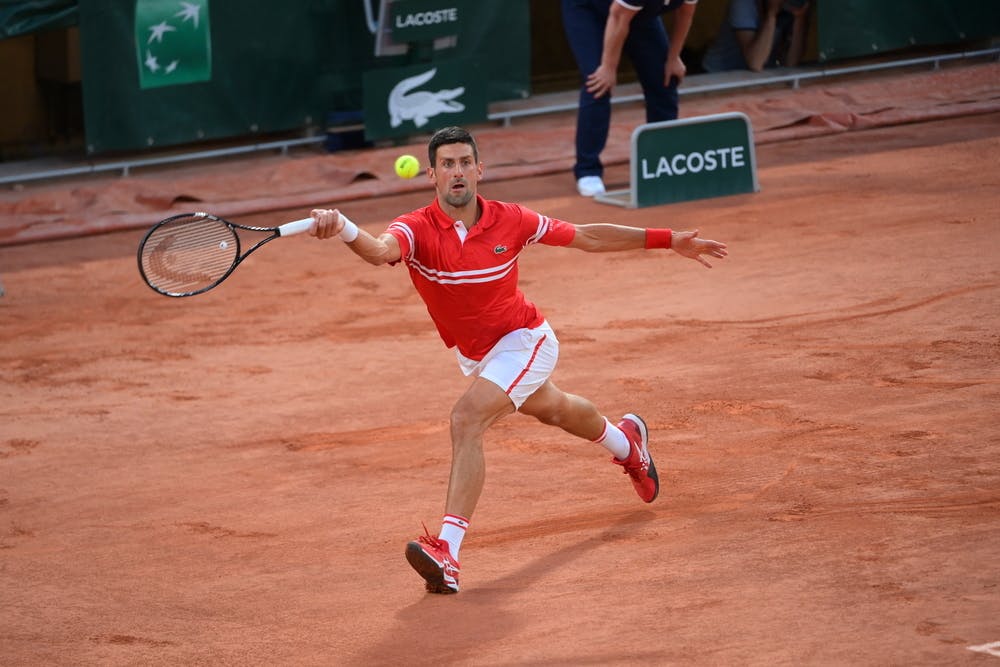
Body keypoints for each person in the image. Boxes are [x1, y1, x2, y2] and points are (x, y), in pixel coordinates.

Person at [306, 126, 727, 594]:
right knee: (556, 409)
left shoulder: (513, 219)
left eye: (465, 162)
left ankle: (447, 553)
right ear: (432, 175)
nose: (457, 172)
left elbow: (588, 236)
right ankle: (627, 443)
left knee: (467, 419)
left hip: (525, 340)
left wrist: (667, 239)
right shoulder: (416, 228)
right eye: (447, 164)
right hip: (480, 354)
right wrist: (343, 227)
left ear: (480, 170)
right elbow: (379, 250)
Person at [562, 0, 699, 198]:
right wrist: (608, 66)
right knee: (598, 84)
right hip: (587, 9)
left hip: (638, 15)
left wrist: (674, 57)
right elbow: (618, 16)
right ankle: (588, 170)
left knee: (665, 78)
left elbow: (686, 13)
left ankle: (663, 162)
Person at [701, 0, 812, 73]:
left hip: (756, 77)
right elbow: (755, 63)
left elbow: (791, 64)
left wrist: (800, 18)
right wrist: (771, 14)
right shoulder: (743, 4)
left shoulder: (788, 7)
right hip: (719, 74)